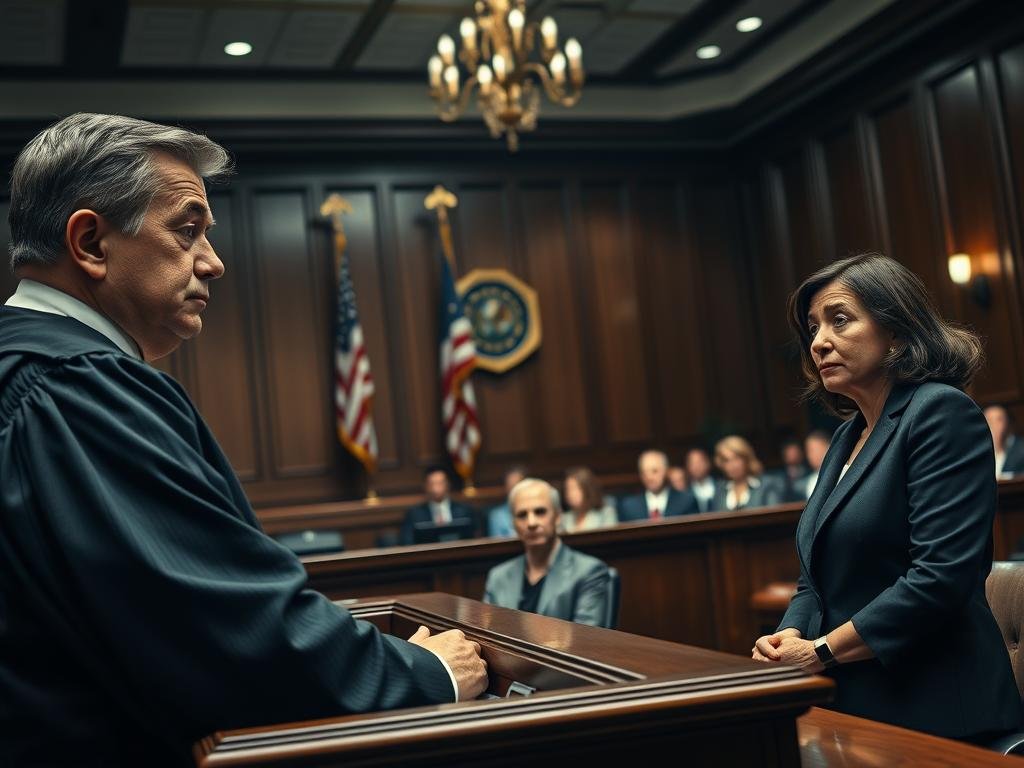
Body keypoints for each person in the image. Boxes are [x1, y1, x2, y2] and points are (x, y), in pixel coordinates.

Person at [0, 113, 487, 765]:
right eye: (188, 230)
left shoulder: (28, 370)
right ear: (91, 243)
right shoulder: (73, 389)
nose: (214, 261)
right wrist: (428, 674)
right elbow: (217, 635)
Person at [752, 252, 1020, 741]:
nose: (819, 342)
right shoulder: (847, 436)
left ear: (897, 331)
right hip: (855, 700)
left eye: (839, 320)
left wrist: (821, 651)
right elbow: (817, 575)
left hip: (935, 706)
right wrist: (788, 634)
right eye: (812, 328)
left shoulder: (940, 412)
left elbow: (940, 577)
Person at [483, 478, 611, 625]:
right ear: (514, 524)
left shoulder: (589, 571)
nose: (531, 523)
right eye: (522, 515)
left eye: (540, 512)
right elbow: (488, 637)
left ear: (558, 516)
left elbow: (587, 642)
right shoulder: (498, 577)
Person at [400, 465, 478, 544]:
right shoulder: (414, 514)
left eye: (439, 483)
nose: (435, 489)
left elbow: (474, 538)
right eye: (431, 484)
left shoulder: (464, 510)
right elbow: (407, 542)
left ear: (447, 484)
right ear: (425, 486)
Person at [617, 449, 698, 521]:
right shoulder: (629, 506)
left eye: (655, 471)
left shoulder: (686, 501)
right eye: (644, 472)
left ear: (666, 471)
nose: (649, 477)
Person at [711, 436, 783, 510]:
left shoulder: (767, 485)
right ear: (721, 464)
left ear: (746, 459)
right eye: (727, 460)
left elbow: (775, 517)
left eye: (737, 458)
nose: (733, 465)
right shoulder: (719, 490)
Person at [561, 466, 618, 533]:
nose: (570, 494)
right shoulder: (564, 519)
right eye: (567, 489)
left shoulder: (606, 514)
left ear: (587, 489)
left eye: (575, 488)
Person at [485, 464, 528, 537]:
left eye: (517, 487)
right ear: (506, 488)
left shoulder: (533, 511)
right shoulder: (497, 515)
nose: (514, 491)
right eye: (510, 487)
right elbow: (496, 545)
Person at [984, 404, 1024, 479]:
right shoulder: (978, 451)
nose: (993, 425)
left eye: (999, 420)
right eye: (989, 420)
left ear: (1008, 423)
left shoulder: (1021, 449)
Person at [768, 437, 810, 502]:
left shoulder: (810, 475)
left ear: (801, 453)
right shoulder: (777, 477)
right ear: (784, 455)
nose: (792, 455)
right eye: (789, 452)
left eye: (795, 452)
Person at [795, 429, 832, 501]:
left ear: (828, 447)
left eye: (812, 450)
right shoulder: (806, 482)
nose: (809, 456)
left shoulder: (844, 474)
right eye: (808, 451)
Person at [685, 447, 719, 512]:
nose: (696, 466)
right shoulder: (684, 492)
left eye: (699, 462)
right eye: (692, 463)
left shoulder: (721, 487)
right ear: (687, 466)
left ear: (708, 463)